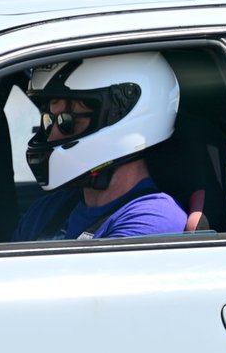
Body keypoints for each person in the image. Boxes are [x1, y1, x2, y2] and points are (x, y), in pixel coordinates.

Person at [12, 52, 188, 241]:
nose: (52, 136)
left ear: (121, 120)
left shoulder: (152, 220)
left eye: (67, 122)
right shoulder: (45, 211)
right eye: (50, 121)